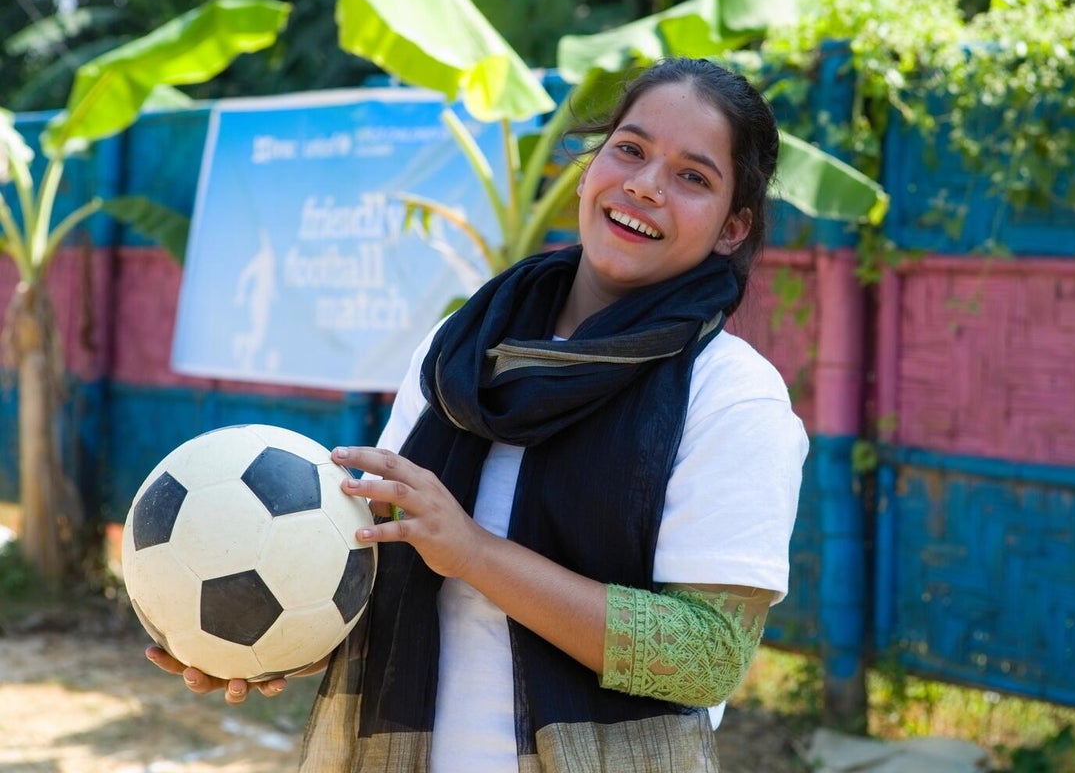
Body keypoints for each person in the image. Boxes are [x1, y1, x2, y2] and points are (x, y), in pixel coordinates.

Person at [147, 56, 808, 772]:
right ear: (590, 168)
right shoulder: (462, 349)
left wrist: (474, 552)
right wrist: (263, 631)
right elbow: (388, 577)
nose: (646, 185)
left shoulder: (731, 396)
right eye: (631, 149)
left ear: (733, 229)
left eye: (693, 177)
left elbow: (706, 656)